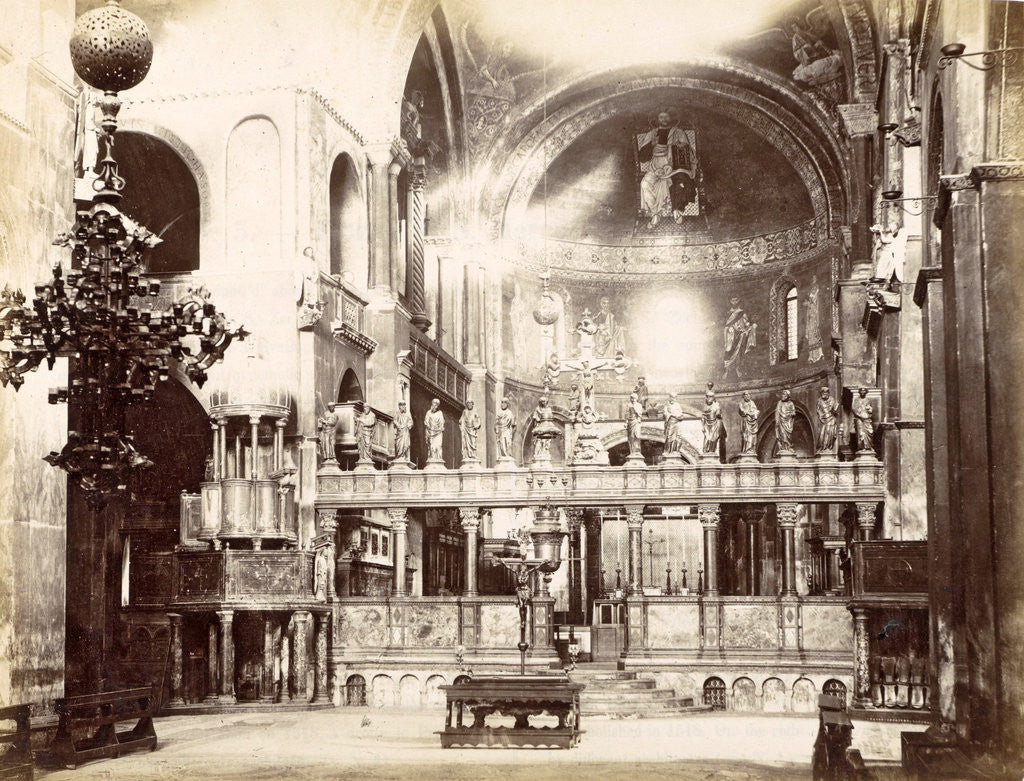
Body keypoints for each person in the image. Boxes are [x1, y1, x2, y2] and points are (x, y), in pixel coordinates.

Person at [635, 110, 697, 226]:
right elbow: (642, 157)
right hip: (656, 167)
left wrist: (680, 147)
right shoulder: (652, 134)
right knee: (645, 184)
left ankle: (676, 210)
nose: (664, 119)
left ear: (671, 118)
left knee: (680, 181)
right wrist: (652, 144)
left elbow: (688, 153)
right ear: (657, 119)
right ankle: (655, 213)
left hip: (675, 166)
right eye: (661, 117)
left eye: (666, 117)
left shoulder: (679, 132)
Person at [701, 383, 723, 455]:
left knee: (714, 438)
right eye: (708, 397)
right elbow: (703, 416)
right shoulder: (705, 406)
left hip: (714, 424)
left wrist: (718, 413)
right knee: (707, 438)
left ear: (713, 398)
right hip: (707, 425)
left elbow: (718, 414)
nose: (709, 398)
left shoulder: (716, 405)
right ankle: (706, 451)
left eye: (711, 397)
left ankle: (712, 451)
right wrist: (703, 426)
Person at [817, 386, 839, 452]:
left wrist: (834, 409)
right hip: (823, 420)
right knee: (822, 434)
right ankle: (823, 447)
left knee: (829, 433)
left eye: (825, 393)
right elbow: (818, 410)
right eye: (822, 393)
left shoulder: (832, 400)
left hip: (831, 419)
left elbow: (834, 410)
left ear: (828, 393)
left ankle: (828, 448)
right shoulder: (819, 400)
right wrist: (821, 417)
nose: (824, 394)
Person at [853, 387, 874, 452]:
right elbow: (854, 409)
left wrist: (869, 410)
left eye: (864, 391)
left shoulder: (868, 400)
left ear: (866, 392)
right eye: (861, 391)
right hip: (859, 419)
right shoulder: (856, 400)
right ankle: (862, 447)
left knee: (869, 431)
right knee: (860, 432)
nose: (862, 392)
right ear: (859, 392)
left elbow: (871, 409)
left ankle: (868, 447)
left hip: (867, 418)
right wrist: (860, 415)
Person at [775, 389, 796, 453]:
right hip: (781, 421)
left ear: (788, 396)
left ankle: (789, 447)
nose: (782, 396)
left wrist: (791, 414)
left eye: (784, 394)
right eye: (782, 394)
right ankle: (784, 448)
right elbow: (777, 412)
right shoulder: (779, 403)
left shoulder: (791, 403)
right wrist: (777, 420)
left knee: (789, 435)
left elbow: (793, 412)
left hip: (788, 421)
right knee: (782, 434)